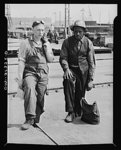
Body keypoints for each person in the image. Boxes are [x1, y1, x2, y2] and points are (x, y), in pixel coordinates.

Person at [18, 20, 54, 130]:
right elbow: (21, 61)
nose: (40, 32)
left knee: (41, 95)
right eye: (38, 30)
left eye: (42, 30)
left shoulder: (46, 43)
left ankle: (36, 115)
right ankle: (29, 118)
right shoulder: (25, 43)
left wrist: (47, 47)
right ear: (32, 30)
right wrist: (20, 79)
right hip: (30, 72)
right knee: (29, 89)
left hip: (43, 73)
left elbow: (51, 60)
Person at [59, 20, 96, 123]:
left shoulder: (88, 43)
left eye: (80, 31)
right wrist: (66, 69)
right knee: (68, 82)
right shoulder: (67, 42)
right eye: (75, 31)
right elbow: (63, 57)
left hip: (84, 70)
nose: (77, 33)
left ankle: (78, 111)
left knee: (80, 93)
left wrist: (91, 79)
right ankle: (70, 112)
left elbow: (91, 62)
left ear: (84, 32)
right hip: (71, 69)